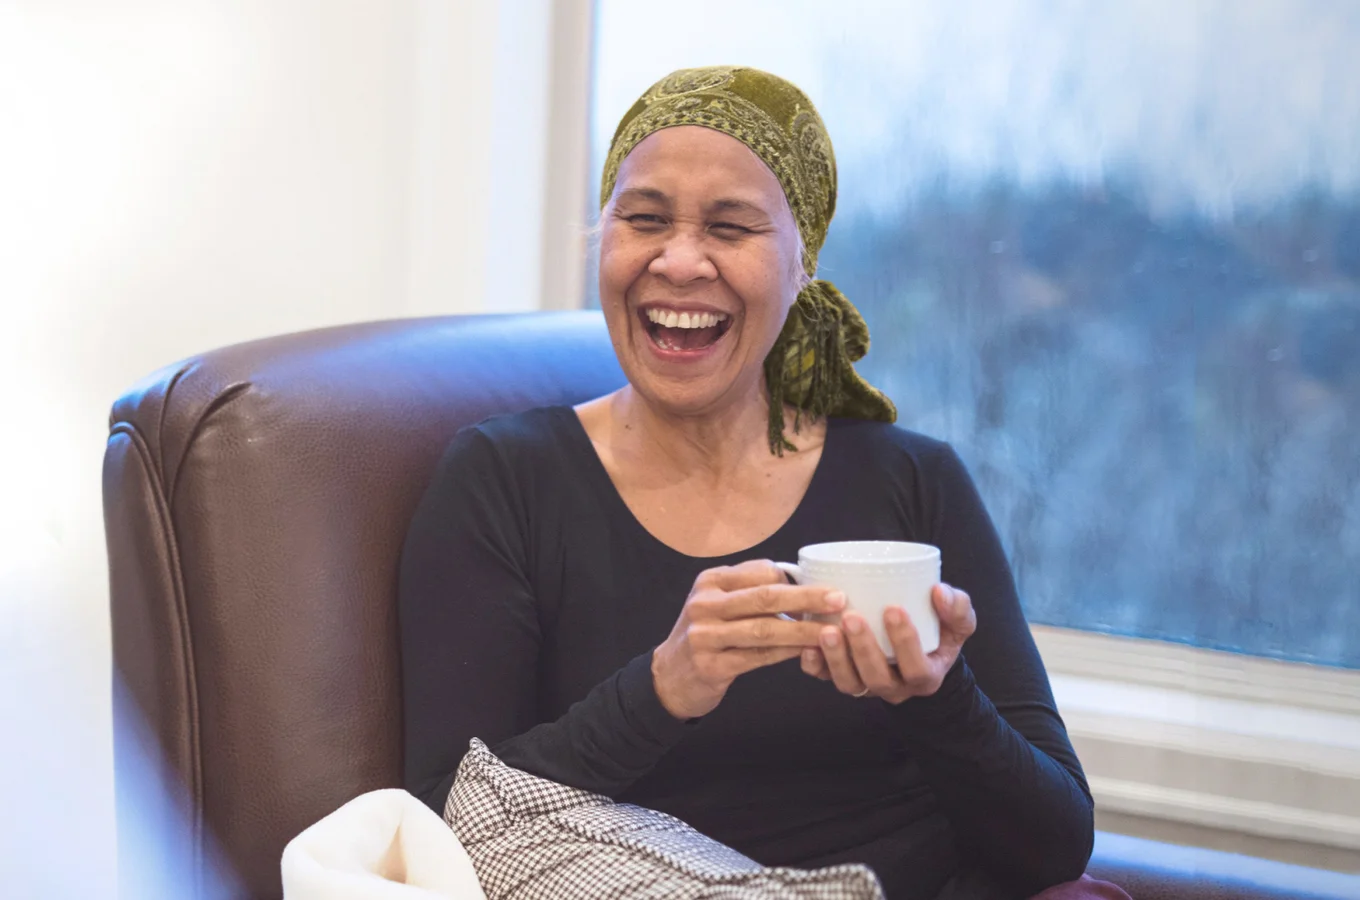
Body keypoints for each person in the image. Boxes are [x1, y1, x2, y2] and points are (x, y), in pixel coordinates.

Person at [399, 67, 1110, 900]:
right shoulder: (506, 481)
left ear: (802, 265)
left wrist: (935, 694)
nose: (680, 260)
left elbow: (1055, 842)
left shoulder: (913, 479)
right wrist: (662, 689)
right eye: (644, 219)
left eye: (731, 227)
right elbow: (444, 826)